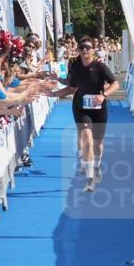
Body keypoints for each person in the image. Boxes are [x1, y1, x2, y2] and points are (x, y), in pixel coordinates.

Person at [48, 37, 120, 192]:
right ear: (78, 50)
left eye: (88, 47)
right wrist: (53, 94)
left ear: (93, 50)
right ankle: (89, 179)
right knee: (86, 138)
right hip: (80, 107)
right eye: (82, 48)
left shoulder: (100, 67)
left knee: (98, 144)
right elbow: (71, 87)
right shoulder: (74, 66)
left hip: (99, 108)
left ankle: (97, 166)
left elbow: (115, 83)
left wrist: (104, 95)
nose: (85, 50)